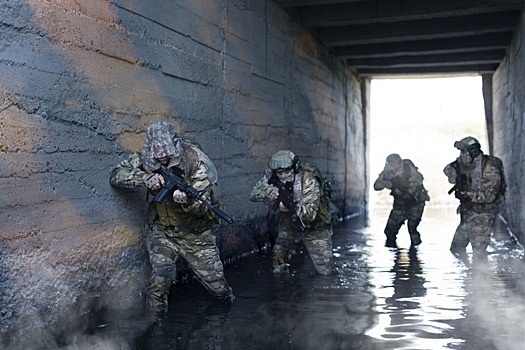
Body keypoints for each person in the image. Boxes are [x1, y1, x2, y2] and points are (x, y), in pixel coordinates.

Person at [109, 121, 233, 314]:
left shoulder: (195, 161)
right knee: (158, 284)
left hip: (195, 234)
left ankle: (224, 315)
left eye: (166, 153)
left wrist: (186, 202)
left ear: (175, 146)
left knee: (219, 289)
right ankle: (158, 326)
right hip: (162, 231)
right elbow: (116, 175)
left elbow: (204, 205)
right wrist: (143, 178)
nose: (162, 157)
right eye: (157, 153)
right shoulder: (147, 157)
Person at [249, 150, 337, 275]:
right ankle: (283, 291)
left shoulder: (308, 179)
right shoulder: (272, 176)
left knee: (325, 270)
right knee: (279, 258)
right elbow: (253, 195)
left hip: (316, 227)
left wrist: (292, 207)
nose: (284, 175)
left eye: (287, 171)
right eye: (280, 173)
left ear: (294, 168)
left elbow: (310, 214)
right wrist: (269, 191)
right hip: (291, 224)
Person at [443, 136, 505, 256]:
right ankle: (466, 273)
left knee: (479, 254)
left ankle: (481, 274)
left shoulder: (489, 167)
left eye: (463, 152)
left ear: (473, 152)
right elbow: (447, 168)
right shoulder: (463, 163)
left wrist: (469, 195)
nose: (461, 155)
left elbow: (490, 196)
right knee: (456, 248)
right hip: (467, 213)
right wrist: (453, 175)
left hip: (483, 215)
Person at [373, 154, 429, 247]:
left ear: (400, 163)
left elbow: (420, 179)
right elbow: (376, 186)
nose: (393, 167)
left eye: (394, 164)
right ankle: (395, 254)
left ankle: (415, 255)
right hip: (400, 204)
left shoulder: (409, 169)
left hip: (416, 203)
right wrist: (385, 183)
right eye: (390, 165)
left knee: (412, 230)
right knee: (389, 232)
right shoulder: (387, 172)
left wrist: (411, 186)